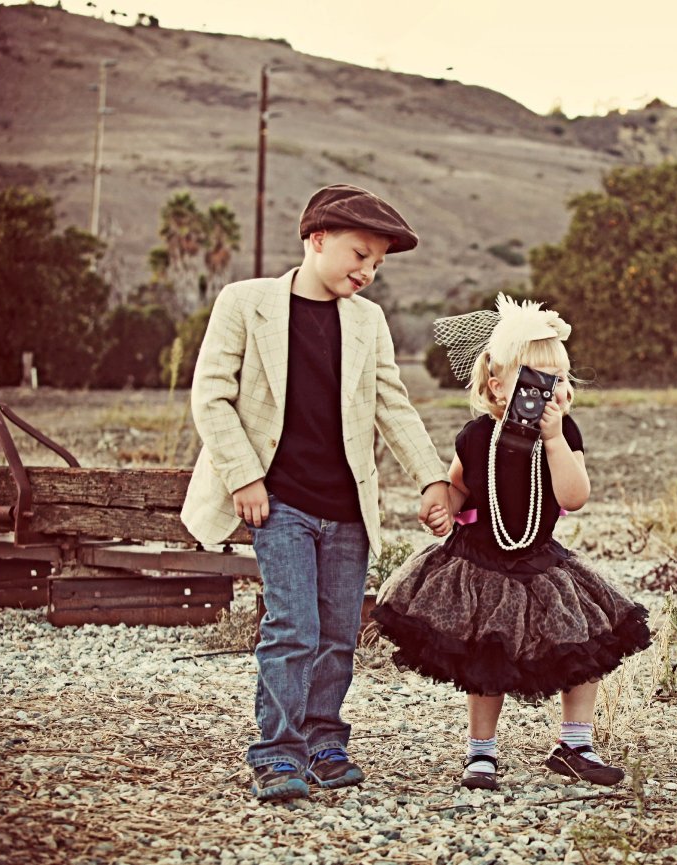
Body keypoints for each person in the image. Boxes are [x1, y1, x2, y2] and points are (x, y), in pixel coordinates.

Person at [181, 184, 452, 802]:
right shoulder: (244, 302)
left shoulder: (367, 321)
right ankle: (277, 753)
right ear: (317, 238)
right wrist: (243, 476)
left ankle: (324, 741)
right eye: (359, 254)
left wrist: (432, 477)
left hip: (348, 510)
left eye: (377, 264)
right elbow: (212, 396)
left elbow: (392, 405)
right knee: (293, 627)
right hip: (278, 502)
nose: (368, 271)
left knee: (337, 633)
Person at [371, 293, 651, 791]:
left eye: (558, 379)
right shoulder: (477, 437)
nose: (548, 391)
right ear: (498, 386)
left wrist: (554, 439)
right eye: (534, 381)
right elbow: (459, 487)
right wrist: (443, 505)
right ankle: (481, 751)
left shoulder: (564, 435)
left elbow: (575, 495)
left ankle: (576, 744)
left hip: (541, 563)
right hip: (479, 563)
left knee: (583, 643)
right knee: (488, 657)